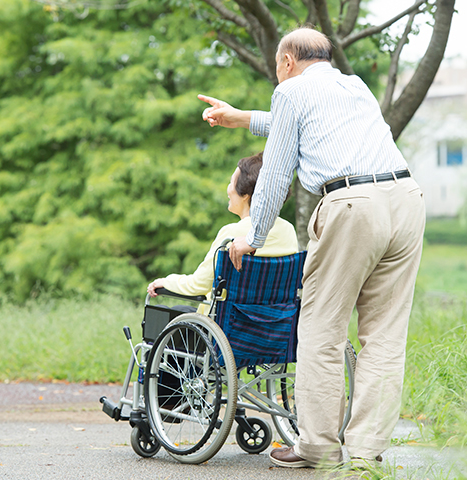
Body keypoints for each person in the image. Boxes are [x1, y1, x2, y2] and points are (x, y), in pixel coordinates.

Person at [198, 27, 425, 470]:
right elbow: (299, 122)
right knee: (384, 335)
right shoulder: (353, 86)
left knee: (322, 328)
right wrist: (242, 117)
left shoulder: (292, 91)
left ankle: (318, 446)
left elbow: (277, 169)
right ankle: (364, 452)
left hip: (351, 204)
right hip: (406, 198)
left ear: (286, 63)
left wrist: (253, 236)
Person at [147, 152, 298, 302]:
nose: (228, 189)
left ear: (245, 194)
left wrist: (167, 281)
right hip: (273, 322)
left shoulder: (231, 233)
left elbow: (198, 285)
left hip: (228, 322)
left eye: (231, 182)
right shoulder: (288, 230)